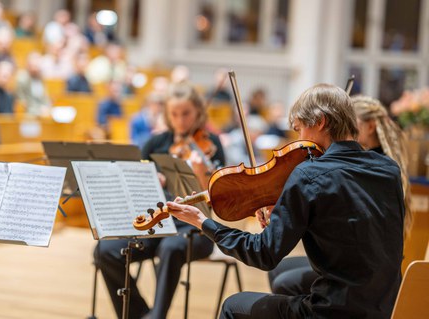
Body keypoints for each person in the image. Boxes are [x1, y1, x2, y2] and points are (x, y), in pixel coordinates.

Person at [167, 83, 405, 319]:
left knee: (233, 305)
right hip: (384, 306)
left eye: (299, 128)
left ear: (320, 121)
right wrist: (291, 208)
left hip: (334, 311)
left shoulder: (308, 174)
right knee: (286, 280)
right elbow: (345, 216)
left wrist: (203, 222)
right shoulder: (388, 170)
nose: (299, 139)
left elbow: (263, 254)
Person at [94, 82, 225, 319]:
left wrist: (199, 173)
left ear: (198, 111)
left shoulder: (210, 145)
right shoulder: (156, 144)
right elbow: (135, 183)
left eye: (186, 113)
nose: (181, 121)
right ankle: (138, 314)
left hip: (196, 230)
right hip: (156, 224)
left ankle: (157, 316)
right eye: (174, 114)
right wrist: (151, 179)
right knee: (105, 250)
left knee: (171, 247)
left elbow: (217, 200)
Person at [266, 94, 413, 297]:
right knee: (278, 270)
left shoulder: (375, 167)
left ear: (370, 127)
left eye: (354, 123)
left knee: (285, 281)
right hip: (358, 258)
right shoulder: (376, 164)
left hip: (361, 265)